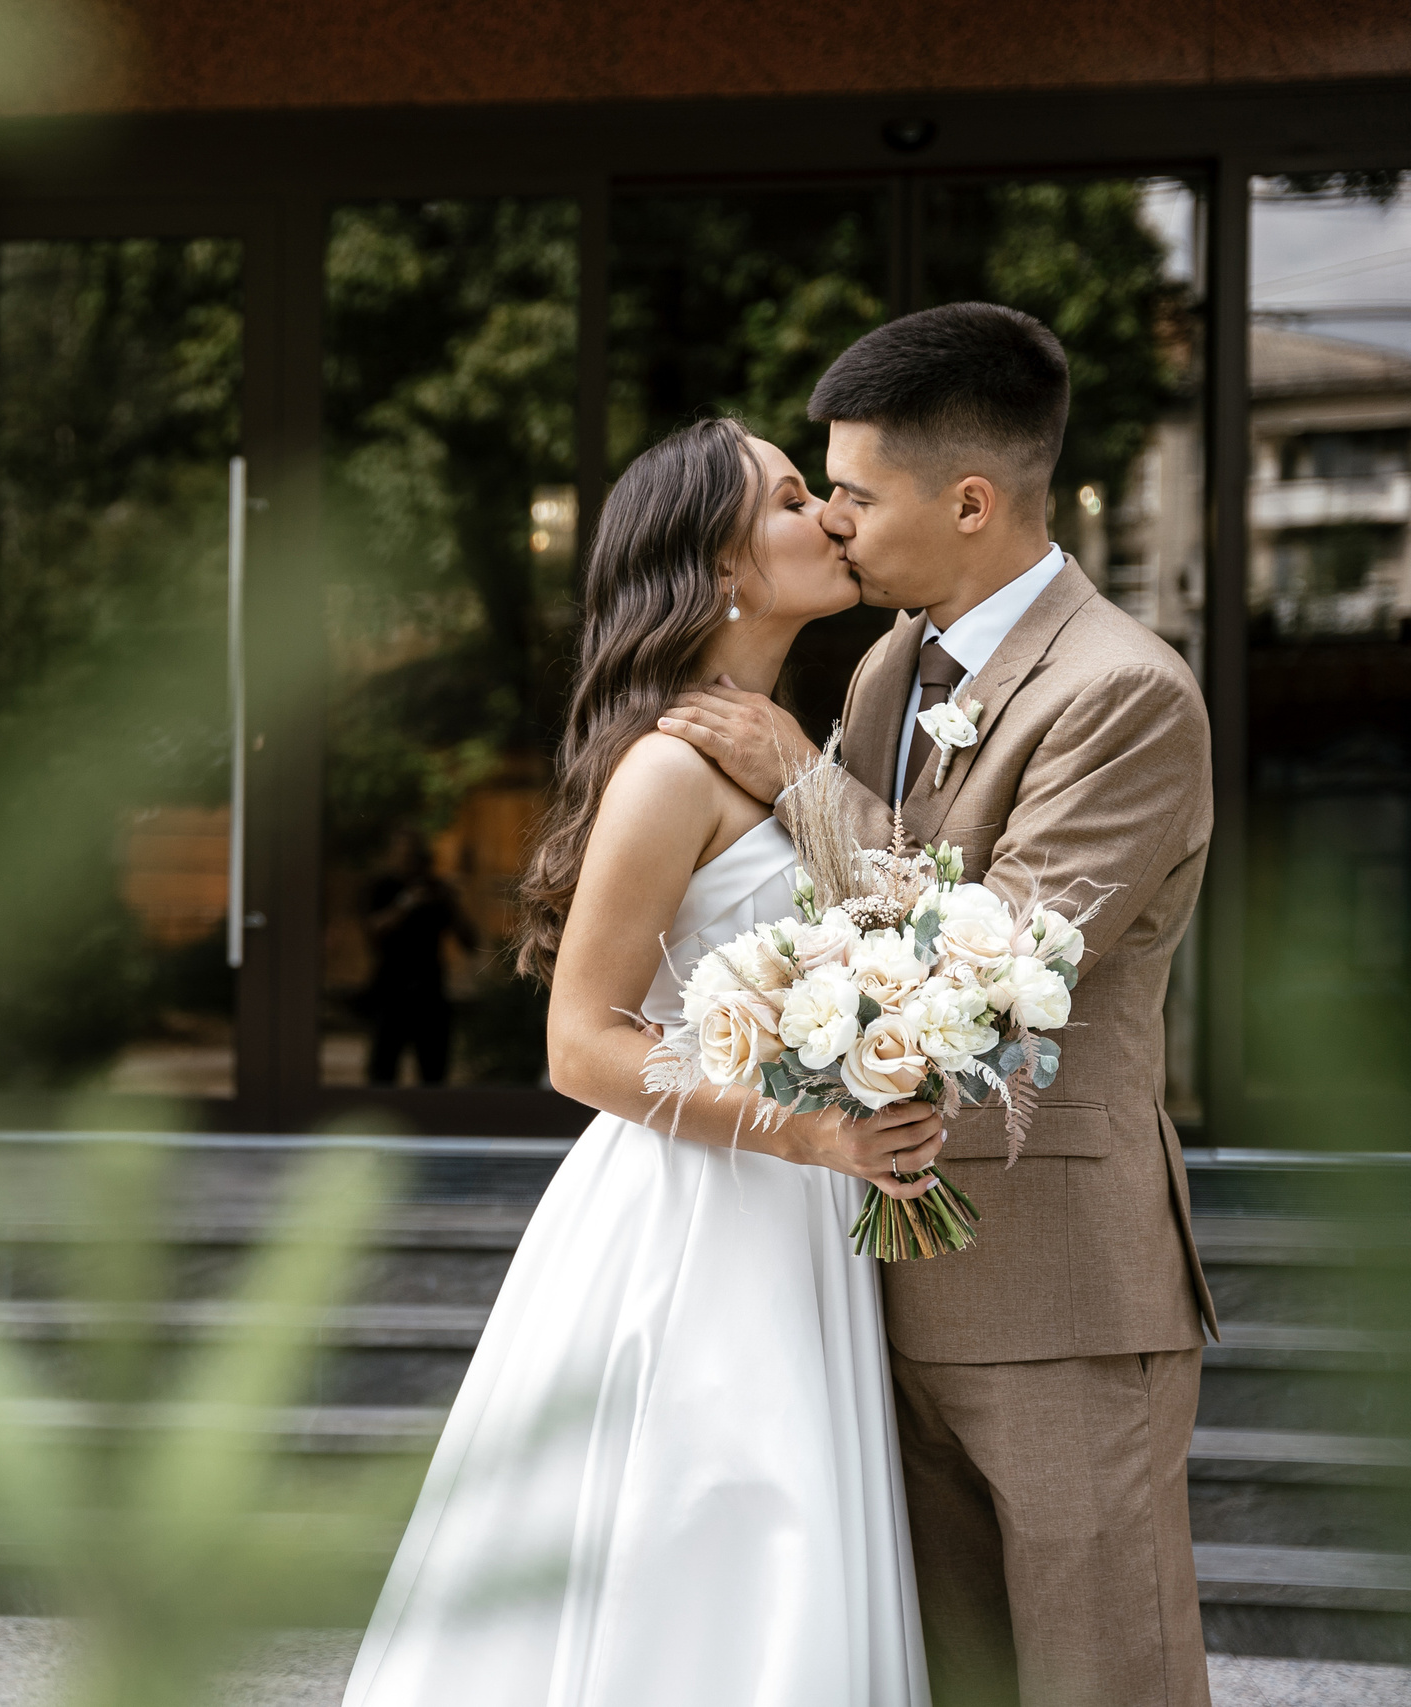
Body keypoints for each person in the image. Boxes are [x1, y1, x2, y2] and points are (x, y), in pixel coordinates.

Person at [657, 303, 1214, 1707]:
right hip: (869, 1276)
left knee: (1102, 1672)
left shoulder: (1126, 693)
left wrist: (803, 778)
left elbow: (1002, 952)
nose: (832, 520)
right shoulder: (889, 666)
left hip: (1057, 1276)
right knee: (951, 1670)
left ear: (969, 501)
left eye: (852, 490)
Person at [343, 413, 942, 1707]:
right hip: (701, 1214)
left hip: (797, 1205)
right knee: (720, 1527)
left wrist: (807, 784)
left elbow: (897, 933)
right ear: (723, 562)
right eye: (794, 498)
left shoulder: (794, 745)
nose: (831, 515)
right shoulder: (670, 767)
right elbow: (578, 1041)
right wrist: (815, 1134)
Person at [361, 829, 479, 1086]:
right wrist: (405, 904)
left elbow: (470, 942)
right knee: (382, 1069)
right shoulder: (384, 886)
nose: (409, 862)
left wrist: (451, 903)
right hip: (390, 987)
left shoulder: (436, 890)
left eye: (415, 856)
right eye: (403, 855)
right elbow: (372, 932)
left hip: (429, 989)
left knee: (434, 1071)